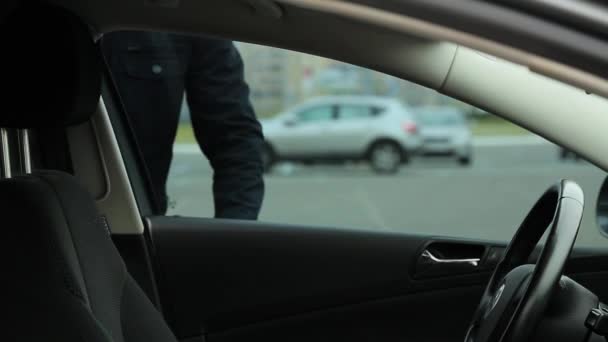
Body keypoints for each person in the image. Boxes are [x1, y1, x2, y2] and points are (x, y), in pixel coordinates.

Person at [102, 31, 264, 219]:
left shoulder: (187, 18)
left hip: (137, 223)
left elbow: (236, 139)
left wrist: (235, 235)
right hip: (64, 206)